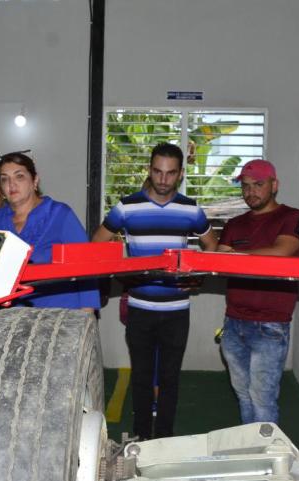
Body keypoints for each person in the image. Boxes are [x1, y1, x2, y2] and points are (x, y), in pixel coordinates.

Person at [92, 143, 218, 440]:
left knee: (170, 378)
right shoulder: (126, 207)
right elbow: (98, 241)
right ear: (149, 170)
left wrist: (198, 277)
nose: (163, 179)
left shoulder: (191, 209)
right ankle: (141, 437)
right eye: (158, 171)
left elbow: (210, 244)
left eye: (170, 173)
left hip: (177, 311)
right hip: (140, 308)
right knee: (141, 377)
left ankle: (164, 438)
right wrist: (121, 272)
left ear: (181, 174)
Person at [217, 159, 299, 424]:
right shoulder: (234, 224)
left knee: (262, 398)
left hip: (271, 325)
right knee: (244, 396)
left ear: (274, 185)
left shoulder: (293, 218)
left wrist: (234, 254)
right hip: (233, 323)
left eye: (258, 184)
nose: (250, 192)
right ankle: (250, 452)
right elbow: (219, 262)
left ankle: (269, 462)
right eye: (245, 186)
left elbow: (280, 254)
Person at [0, 151, 100, 311]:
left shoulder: (60, 214)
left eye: (19, 176)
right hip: (13, 317)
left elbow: (88, 267)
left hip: (63, 316)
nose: (11, 185)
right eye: (4, 179)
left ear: (35, 180)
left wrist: (87, 316)